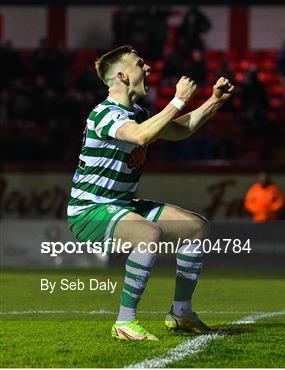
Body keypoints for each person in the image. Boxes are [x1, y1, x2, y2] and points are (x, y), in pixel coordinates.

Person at [67, 45, 235, 340]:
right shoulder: (104, 114)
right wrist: (179, 99)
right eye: (140, 64)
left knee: (195, 227)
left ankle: (181, 313)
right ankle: (124, 322)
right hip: (88, 210)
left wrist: (213, 102)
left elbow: (180, 131)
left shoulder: (138, 112)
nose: (148, 69)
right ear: (122, 75)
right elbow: (142, 135)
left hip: (120, 203)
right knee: (148, 234)